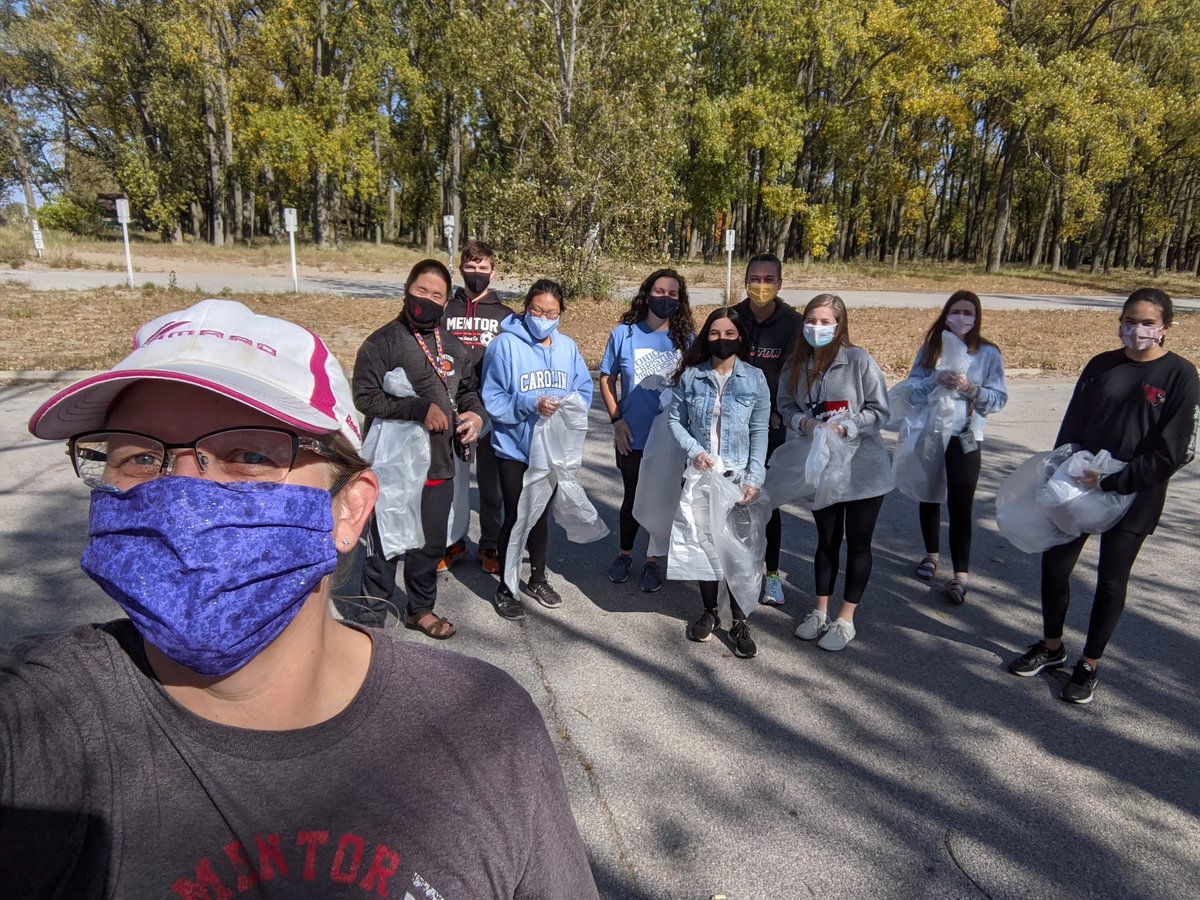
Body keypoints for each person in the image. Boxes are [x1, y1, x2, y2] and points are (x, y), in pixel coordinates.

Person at [4, 298, 598, 896]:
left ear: (350, 508)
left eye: (249, 456)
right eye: (138, 456)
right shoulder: (32, 725)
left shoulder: (485, 730)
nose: (182, 492)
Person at [1008, 287, 1198, 704]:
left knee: (1111, 580)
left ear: (1166, 327)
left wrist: (1116, 480)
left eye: (1147, 323)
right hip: (1080, 482)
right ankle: (1052, 647)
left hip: (1135, 491)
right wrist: (1057, 472)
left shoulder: (1180, 375)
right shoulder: (1101, 365)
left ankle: (1089, 664)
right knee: (1055, 567)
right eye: (1129, 321)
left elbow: (1174, 450)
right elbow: (1073, 425)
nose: (1137, 329)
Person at [353, 259, 486, 639]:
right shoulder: (382, 343)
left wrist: (476, 416)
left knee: (429, 545)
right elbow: (364, 396)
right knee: (385, 547)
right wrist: (417, 409)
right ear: (406, 290)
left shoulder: (454, 347)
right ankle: (370, 620)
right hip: (392, 468)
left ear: (446, 303)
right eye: (420, 290)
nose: (426, 299)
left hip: (438, 466)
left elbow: (467, 392)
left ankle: (420, 609)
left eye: (436, 295)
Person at [778, 294, 892, 652]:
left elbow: (880, 410)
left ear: (839, 326)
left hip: (863, 471)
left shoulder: (858, 361)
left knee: (858, 543)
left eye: (826, 322)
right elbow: (785, 406)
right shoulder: (796, 364)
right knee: (826, 541)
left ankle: (846, 619)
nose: (817, 327)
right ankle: (820, 611)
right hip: (823, 469)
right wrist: (806, 423)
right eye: (811, 320)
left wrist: (848, 426)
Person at [481, 279, 593, 620]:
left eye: (551, 313)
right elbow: (493, 397)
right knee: (517, 516)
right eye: (536, 310)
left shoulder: (568, 348)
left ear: (561, 314)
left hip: (551, 450)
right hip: (515, 448)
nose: (543, 318)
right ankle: (506, 587)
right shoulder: (503, 345)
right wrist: (531, 403)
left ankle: (537, 577)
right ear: (526, 308)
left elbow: (583, 389)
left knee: (540, 516)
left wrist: (569, 407)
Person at [668, 307, 770, 659]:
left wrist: (754, 479)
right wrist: (695, 451)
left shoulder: (754, 379)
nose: (721, 340)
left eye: (729, 334)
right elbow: (675, 421)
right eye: (714, 333)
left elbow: (759, 431)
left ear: (740, 338)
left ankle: (739, 620)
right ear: (706, 336)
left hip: (738, 478)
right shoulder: (691, 377)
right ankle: (710, 610)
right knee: (706, 547)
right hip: (702, 477)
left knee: (740, 551)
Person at [905, 290, 1008, 604]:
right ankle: (931, 555)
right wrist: (934, 380)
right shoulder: (931, 348)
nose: (962, 318)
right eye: (956, 311)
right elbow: (911, 390)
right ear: (946, 314)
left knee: (961, 505)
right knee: (929, 496)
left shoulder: (987, 353)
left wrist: (971, 388)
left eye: (968, 313)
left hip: (966, 436)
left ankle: (961, 573)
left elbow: (998, 398)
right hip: (931, 432)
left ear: (977, 318)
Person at [599, 268, 694, 592]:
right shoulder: (624, 334)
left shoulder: (687, 340)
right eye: (659, 291)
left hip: (672, 438)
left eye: (672, 293)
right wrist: (616, 421)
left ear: (680, 299)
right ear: (646, 294)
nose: (665, 298)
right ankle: (625, 554)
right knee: (633, 496)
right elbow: (606, 378)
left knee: (663, 498)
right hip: (633, 434)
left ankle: (654, 560)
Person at [732, 252, 800, 605]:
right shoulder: (732, 317)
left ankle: (771, 575)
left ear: (780, 283)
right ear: (745, 281)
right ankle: (734, 571)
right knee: (732, 501)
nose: (761, 286)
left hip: (771, 430)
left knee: (766, 504)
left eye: (768, 279)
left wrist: (776, 411)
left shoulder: (794, 324)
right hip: (731, 428)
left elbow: (795, 377)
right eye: (755, 279)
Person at [440, 239, 512, 574]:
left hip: (491, 410)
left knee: (491, 485)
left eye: (483, 268)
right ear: (461, 269)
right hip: (449, 407)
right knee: (450, 482)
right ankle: (452, 542)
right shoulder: (445, 310)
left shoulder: (505, 316)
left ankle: (490, 544)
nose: (476, 273)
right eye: (471, 267)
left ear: (493, 272)